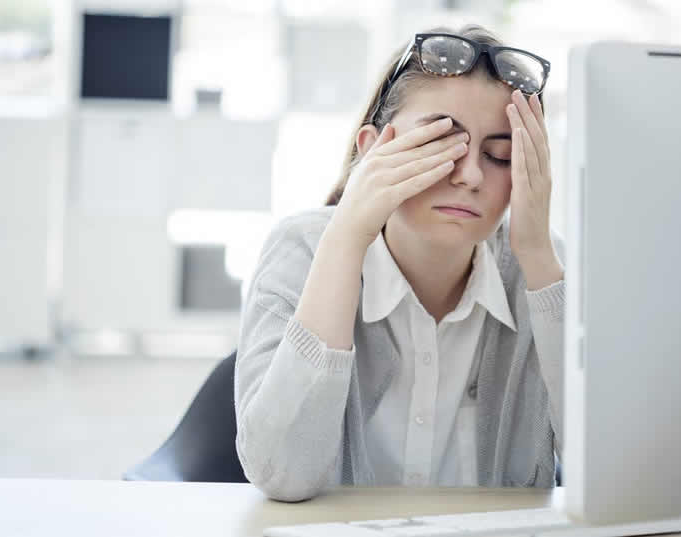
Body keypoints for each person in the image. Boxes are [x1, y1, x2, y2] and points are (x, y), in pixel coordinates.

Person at [234, 23, 565, 502]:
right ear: (371, 149)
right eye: (440, 143)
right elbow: (282, 473)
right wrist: (347, 236)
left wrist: (537, 259)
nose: (470, 174)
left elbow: (614, 472)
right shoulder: (302, 248)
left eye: (500, 155)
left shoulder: (543, 267)